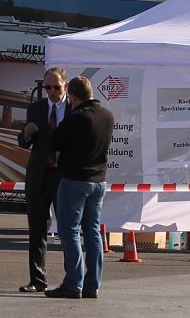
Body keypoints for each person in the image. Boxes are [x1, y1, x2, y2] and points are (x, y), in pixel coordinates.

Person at [45, 76, 114, 300]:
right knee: (92, 232)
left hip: (75, 180)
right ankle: (93, 285)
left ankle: (73, 283)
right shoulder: (107, 116)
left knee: (70, 231)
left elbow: (54, 142)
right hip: (99, 181)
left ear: (73, 97)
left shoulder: (76, 117)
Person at [16, 67, 70, 293]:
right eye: (48, 87)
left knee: (67, 229)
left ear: (65, 86)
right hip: (39, 175)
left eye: (56, 87)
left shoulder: (73, 109)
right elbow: (23, 142)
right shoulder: (36, 109)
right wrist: (26, 133)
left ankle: (72, 279)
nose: (52, 92)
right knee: (37, 229)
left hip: (63, 175)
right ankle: (37, 280)